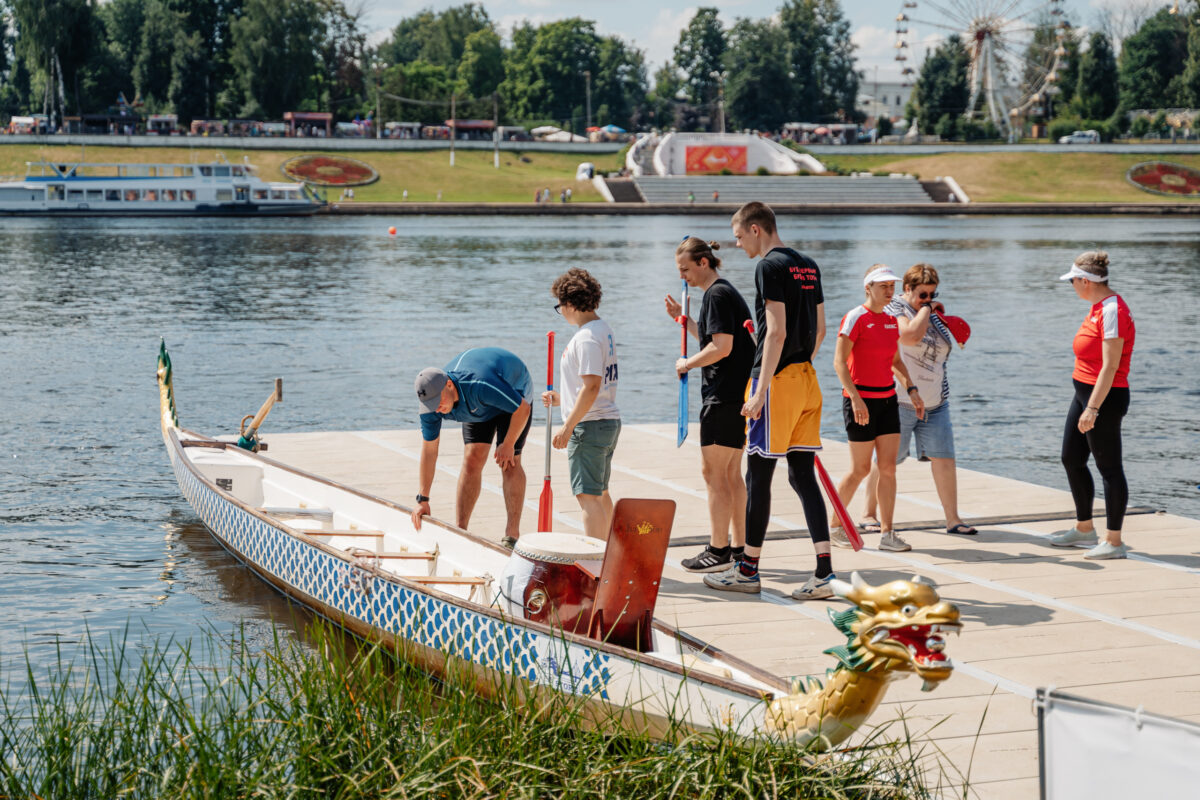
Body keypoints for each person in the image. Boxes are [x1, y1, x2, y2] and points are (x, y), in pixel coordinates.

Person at [703, 201, 835, 600]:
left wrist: (761, 389)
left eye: (739, 235)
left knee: (758, 475)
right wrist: (799, 368)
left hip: (775, 380)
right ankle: (824, 574)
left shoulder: (768, 266)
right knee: (801, 475)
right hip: (807, 380)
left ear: (757, 228)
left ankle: (747, 570)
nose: (737, 243)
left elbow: (774, 332)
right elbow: (821, 329)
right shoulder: (808, 264)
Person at [861, 263, 976, 536]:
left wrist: (932, 312)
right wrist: (926, 309)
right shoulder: (894, 309)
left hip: (936, 401)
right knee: (888, 462)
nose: (928, 299)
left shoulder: (932, 313)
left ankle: (953, 519)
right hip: (900, 400)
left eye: (932, 294)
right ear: (907, 289)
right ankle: (868, 513)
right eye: (922, 294)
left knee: (945, 458)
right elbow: (909, 337)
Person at [664, 237, 755, 572]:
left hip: (723, 395)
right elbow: (713, 335)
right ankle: (737, 547)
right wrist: (682, 320)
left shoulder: (715, 294)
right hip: (738, 395)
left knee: (714, 474)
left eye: (685, 269)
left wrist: (686, 364)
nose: (682, 276)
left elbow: (722, 347)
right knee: (731, 474)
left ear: (704, 262)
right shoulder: (725, 291)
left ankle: (717, 550)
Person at [1048, 251, 1136, 559]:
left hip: (1105, 399)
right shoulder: (1097, 307)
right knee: (1071, 458)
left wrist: (1093, 408)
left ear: (1085, 282)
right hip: (1084, 393)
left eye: (1072, 281)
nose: (1071, 285)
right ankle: (1085, 529)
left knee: (1109, 468)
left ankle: (1114, 542)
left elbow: (1110, 367)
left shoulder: (1113, 310)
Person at [832, 265, 925, 552]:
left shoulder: (889, 321)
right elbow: (839, 362)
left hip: (888, 402)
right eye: (882, 286)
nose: (889, 291)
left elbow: (895, 361)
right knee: (859, 469)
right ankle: (834, 526)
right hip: (859, 403)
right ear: (868, 288)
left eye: (891, 286)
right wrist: (856, 399)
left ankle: (888, 533)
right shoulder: (855, 318)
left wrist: (911, 388)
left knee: (888, 469)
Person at [412, 348, 534, 548]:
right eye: (431, 405)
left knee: (509, 462)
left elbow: (523, 408)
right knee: (471, 461)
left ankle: (511, 535)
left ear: (449, 385)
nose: (436, 409)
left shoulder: (479, 383)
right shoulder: (431, 408)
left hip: (514, 394)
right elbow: (429, 451)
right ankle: (461, 530)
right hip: (479, 405)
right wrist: (422, 499)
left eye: (438, 401)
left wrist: (509, 443)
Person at [542, 269, 621, 540]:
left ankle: (597, 561)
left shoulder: (586, 337)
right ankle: (612, 553)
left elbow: (592, 386)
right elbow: (591, 388)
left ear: (571, 304)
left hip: (590, 426)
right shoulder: (603, 330)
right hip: (604, 420)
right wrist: (561, 399)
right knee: (600, 493)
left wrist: (567, 427)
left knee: (587, 498)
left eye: (560, 305)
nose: (560, 311)